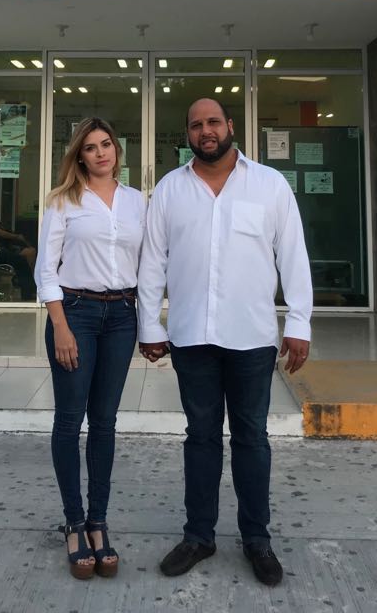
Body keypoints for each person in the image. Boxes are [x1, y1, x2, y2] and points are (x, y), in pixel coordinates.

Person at [138, 98, 313, 587]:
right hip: (191, 335)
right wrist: (149, 325)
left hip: (252, 337)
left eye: (213, 122)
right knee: (201, 437)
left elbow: (293, 254)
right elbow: (152, 261)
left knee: (252, 438)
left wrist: (299, 322)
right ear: (188, 134)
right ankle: (199, 536)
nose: (206, 131)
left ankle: (257, 539)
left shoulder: (269, 185)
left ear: (230, 126)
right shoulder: (170, 189)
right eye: (196, 125)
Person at [34, 117, 145, 580]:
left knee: (104, 422)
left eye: (106, 144)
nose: (101, 153)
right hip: (75, 313)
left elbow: (150, 264)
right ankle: (74, 523)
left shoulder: (138, 201)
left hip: (121, 316)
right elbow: (45, 270)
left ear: (117, 149)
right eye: (91, 147)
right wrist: (60, 326)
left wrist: (152, 323)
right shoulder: (63, 201)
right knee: (69, 419)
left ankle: (98, 521)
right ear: (78, 155)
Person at [0, 194, 37, 300]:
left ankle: (26, 280)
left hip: (6, 245)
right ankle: (25, 281)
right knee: (30, 253)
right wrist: (16, 236)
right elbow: (0, 233)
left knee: (31, 250)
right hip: (1, 248)